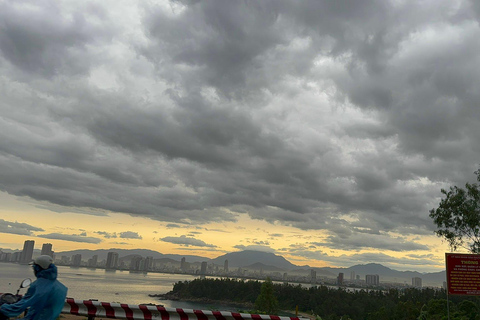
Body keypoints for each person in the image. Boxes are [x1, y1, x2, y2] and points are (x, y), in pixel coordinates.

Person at [0, 255, 67, 320]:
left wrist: (3, 308)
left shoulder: (38, 286)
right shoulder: (61, 287)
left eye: (34, 267)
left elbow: (21, 306)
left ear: (38, 268)